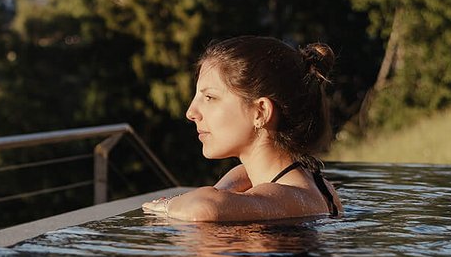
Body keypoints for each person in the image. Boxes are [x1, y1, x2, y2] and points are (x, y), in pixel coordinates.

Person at [143, 36, 341, 222]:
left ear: (260, 112)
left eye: (209, 98)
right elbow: (237, 177)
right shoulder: (303, 180)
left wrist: (168, 205)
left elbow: (204, 208)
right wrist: (219, 192)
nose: (190, 112)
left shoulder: (294, 195)